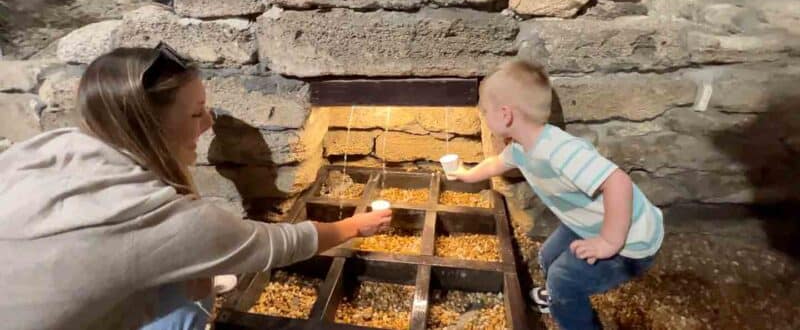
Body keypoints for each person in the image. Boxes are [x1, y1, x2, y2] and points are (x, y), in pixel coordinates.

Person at [0, 45, 392, 330]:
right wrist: (357, 226)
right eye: (194, 112)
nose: (208, 123)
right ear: (148, 127)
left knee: (196, 281)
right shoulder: (158, 219)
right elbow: (277, 244)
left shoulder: (55, 144)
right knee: (196, 294)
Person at [449, 60, 663, 330]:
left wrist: (608, 241)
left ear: (505, 115)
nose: (482, 114)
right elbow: (495, 164)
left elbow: (618, 182)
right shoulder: (521, 148)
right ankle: (557, 298)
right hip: (589, 222)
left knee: (563, 279)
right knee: (548, 256)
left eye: (484, 109)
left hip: (630, 240)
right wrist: (466, 173)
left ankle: (572, 313)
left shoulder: (559, 150)